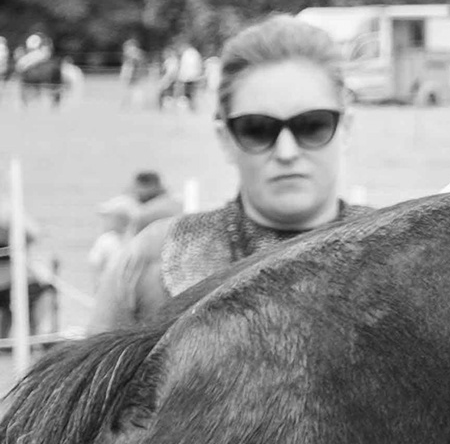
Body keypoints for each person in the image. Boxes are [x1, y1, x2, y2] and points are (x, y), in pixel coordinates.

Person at [91, 17, 374, 331]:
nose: (287, 152)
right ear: (225, 138)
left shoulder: (404, 259)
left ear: (346, 127)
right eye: (257, 129)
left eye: (312, 126)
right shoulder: (151, 262)